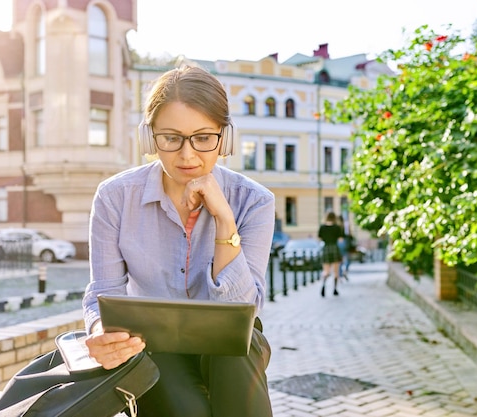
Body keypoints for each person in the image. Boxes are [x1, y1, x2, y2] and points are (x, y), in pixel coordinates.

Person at [82, 65, 275, 417]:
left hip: (231, 347)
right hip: (152, 346)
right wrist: (100, 333)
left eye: (203, 138)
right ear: (148, 139)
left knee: (240, 350)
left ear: (225, 139)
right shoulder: (115, 197)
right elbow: (102, 293)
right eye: (170, 138)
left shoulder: (254, 201)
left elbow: (243, 309)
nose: (187, 156)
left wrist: (224, 220)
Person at [318, 211, 344, 297]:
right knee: (336, 272)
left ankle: (323, 285)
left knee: (326, 271)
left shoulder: (322, 227)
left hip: (326, 248)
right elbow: (340, 240)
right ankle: (335, 290)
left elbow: (319, 239)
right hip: (334, 248)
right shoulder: (337, 227)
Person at [336, 214, 350, 280]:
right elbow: (349, 234)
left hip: (338, 242)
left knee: (339, 259)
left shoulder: (336, 226)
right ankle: (345, 271)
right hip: (345, 242)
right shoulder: (346, 225)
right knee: (347, 258)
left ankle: (340, 274)